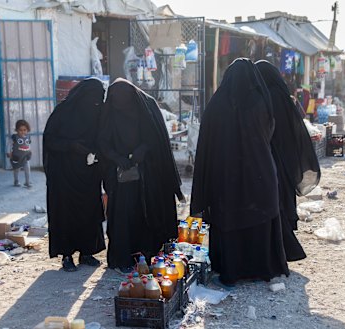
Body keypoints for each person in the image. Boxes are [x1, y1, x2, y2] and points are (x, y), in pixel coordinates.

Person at [191, 58, 289, 288]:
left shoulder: (217, 103)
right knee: (259, 218)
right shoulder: (260, 101)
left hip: (225, 175)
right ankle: (260, 267)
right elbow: (270, 130)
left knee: (229, 217)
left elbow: (206, 141)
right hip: (259, 170)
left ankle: (230, 269)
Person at [98, 78, 184, 274]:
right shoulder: (109, 110)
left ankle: (146, 252)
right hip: (121, 175)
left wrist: (143, 150)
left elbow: (157, 137)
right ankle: (122, 257)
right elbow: (102, 141)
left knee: (146, 212)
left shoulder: (146, 106)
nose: (121, 105)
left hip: (148, 173)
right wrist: (117, 157)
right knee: (124, 214)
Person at [256, 60, 321, 261]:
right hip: (286, 154)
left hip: (273, 154)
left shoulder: (267, 97)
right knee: (283, 196)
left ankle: (280, 243)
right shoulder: (283, 96)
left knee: (275, 197)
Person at [43, 78, 107, 272]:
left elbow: (103, 137)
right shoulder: (63, 113)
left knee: (88, 212)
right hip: (64, 174)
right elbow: (50, 141)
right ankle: (67, 255)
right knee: (66, 213)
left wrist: (96, 153)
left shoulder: (98, 113)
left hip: (88, 173)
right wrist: (72, 146)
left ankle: (87, 252)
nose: (96, 104)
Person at [8, 119, 32, 187]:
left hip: (25, 156)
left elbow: (28, 144)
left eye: (24, 130)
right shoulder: (15, 137)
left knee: (27, 169)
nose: (23, 132)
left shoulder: (28, 137)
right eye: (20, 130)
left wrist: (30, 150)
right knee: (16, 169)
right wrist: (9, 152)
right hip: (16, 157)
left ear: (27, 130)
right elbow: (9, 144)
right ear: (17, 130)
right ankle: (16, 181)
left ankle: (27, 182)